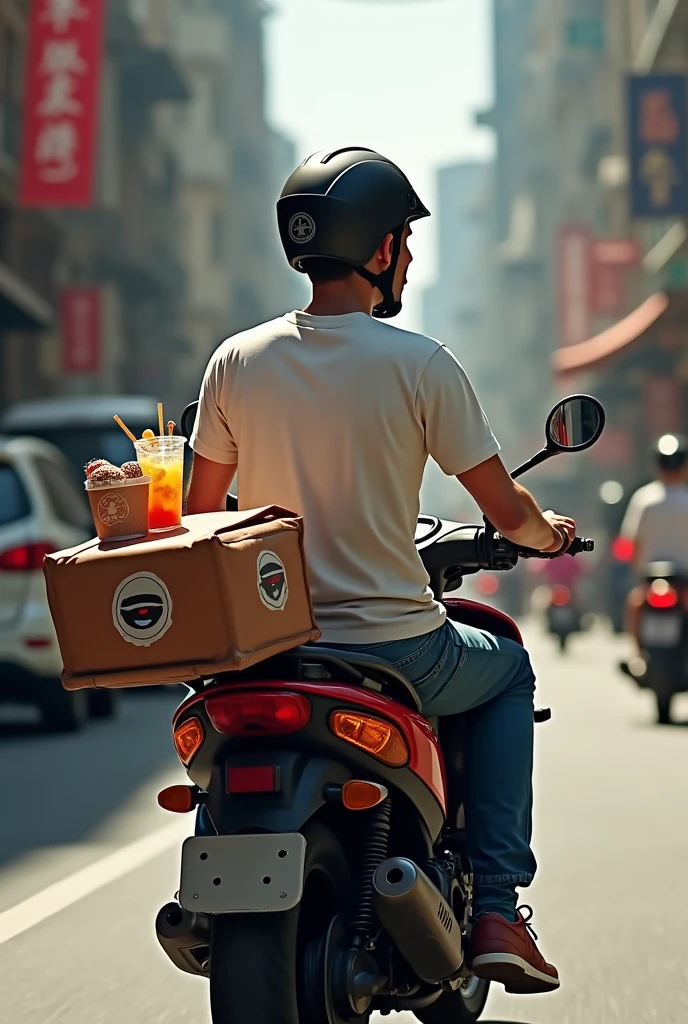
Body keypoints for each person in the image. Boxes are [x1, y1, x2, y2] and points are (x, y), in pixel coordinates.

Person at [186, 148, 575, 994]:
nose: (406, 253)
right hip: (395, 648)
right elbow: (507, 512)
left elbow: (202, 520)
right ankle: (500, 908)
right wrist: (547, 535)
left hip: (265, 650)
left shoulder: (235, 361)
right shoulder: (420, 364)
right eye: (402, 238)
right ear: (380, 249)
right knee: (507, 668)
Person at [620, 434, 688, 649]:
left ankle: (636, 655)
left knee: (634, 604)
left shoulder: (644, 499)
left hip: (649, 577)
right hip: (684, 577)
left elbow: (629, 542)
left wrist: (636, 572)